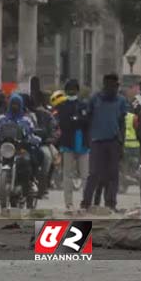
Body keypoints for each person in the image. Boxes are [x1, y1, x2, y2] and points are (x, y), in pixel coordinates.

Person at [81, 73, 128, 212]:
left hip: (114, 141)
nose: (112, 88)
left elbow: (122, 123)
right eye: (110, 85)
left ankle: (111, 203)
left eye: (115, 85)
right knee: (94, 174)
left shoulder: (121, 101)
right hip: (97, 141)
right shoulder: (95, 99)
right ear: (105, 85)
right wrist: (87, 139)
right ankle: (86, 203)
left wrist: (121, 143)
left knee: (113, 174)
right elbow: (87, 120)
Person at [0, 94, 41, 197]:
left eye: (17, 104)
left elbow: (31, 134)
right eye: (13, 104)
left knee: (30, 159)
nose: (15, 106)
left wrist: (33, 139)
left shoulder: (27, 120)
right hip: (4, 149)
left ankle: (31, 183)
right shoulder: (1, 119)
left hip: (20, 149)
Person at [54, 80, 90, 211]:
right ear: (66, 91)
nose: (71, 91)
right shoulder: (62, 106)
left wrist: (75, 119)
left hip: (83, 144)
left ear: (77, 91)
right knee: (67, 175)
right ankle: (68, 203)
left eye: (73, 89)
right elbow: (64, 124)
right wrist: (77, 119)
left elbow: (87, 121)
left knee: (85, 175)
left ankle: (86, 202)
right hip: (68, 144)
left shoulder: (84, 105)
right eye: (69, 89)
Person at [29, 89, 58, 199]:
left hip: (44, 143)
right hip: (29, 144)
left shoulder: (48, 114)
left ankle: (44, 185)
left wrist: (50, 138)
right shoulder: (29, 115)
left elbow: (54, 129)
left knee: (50, 157)